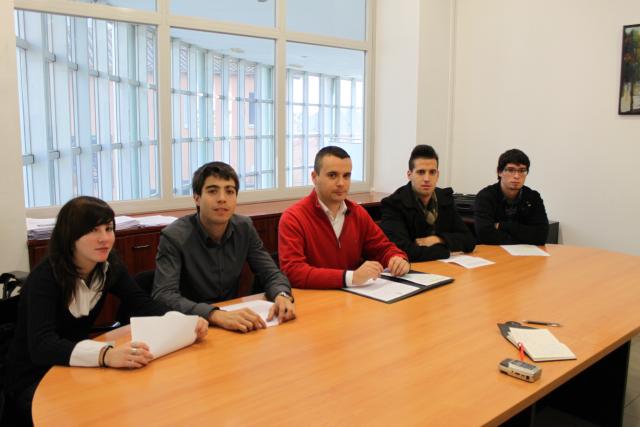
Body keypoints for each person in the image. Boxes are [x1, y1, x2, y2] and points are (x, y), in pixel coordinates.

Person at [3, 196, 208, 425]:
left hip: (77, 368)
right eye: (93, 230)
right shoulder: (45, 278)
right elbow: (42, 346)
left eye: (108, 229)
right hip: (33, 378)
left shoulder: (108, 267)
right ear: (70, 236)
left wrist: (183, 321)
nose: (105, 239)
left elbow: (142, 303)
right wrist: (106, 355)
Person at [152, 161, 296, 333]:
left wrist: (282, 295)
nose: (222, 198)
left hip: (234, 322)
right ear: (197, 198)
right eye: (212, 191)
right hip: (192, 328)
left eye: (229, 191)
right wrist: (214, 314)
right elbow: (164, 295)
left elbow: (271, 273)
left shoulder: (244, 227)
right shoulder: (175, 236)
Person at [278, 146, 410, 289]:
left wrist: (397, 259)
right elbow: (293, 272)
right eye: (332, 175)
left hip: (352, 297)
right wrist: (350, 277)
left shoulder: (357, 213)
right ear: (314, 177)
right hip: (314, 298)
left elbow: (383, 249)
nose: (341, 183)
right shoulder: (293, 218)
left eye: (346, 176)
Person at [380, 145, 476, 262]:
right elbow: (403, 251)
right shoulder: (393, 204)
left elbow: (469, 240)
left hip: (443, 267)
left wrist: (439, 239)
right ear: (409, 175)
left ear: (437, 175)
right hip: (413, 269)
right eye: (421, 172)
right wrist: (446, 250)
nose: (427, 178)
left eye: (432, 172)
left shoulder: (444, 198)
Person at [474, 148, 549, 245]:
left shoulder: (533, 197)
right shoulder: (485, 196)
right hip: (493, 251)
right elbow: (485, 235)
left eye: (522, 170)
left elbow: (541, 236)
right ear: (499, 172)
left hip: (524, 252)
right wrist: (523, 237)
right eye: (510, 170)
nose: (517, 176)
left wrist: (502, 226)